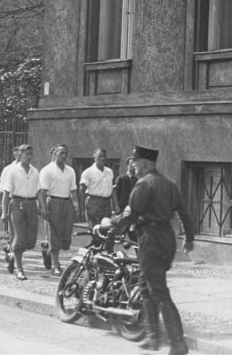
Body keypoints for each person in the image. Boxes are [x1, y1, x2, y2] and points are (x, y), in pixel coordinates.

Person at [112, 146, 195, 355]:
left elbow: (131, 214)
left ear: (145, 164)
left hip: (151, 240)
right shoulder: (169, 184)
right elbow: (185, 213)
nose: (132, 164)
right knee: (144, 286)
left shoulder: (144, 184)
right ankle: (152, 336)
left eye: (135, 161)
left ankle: (178, 344)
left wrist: (111, 224)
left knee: (158, 290)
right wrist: (189, 238)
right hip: (167, 238)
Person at [1, 144, 41, 281]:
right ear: (20, 155)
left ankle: (13, 255)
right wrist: (4, 212)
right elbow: (6, 193)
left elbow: (39, 191)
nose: (28, 157)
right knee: (18, 236)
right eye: (26, 154)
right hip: (17, 203)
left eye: (30, 154)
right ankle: (20, 269)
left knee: (30, 241)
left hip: (31, 204)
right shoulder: (13, 171)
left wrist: (42, 207)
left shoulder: (35, 171)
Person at [39, 144, 79, 275]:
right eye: (61, 153)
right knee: (54, 234)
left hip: (66, 204)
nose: (63, 156)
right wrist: (44, 208)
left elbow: (73, 190)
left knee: (65, 238)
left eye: (65, 153)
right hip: (53, 202)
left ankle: (47, 250)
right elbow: (43, 192)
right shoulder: (47, 170)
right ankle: (56, 265)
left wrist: (76, 204)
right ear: (55, 153)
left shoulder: (70, 171)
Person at [79, 147, 115, 229]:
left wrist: (114, 205)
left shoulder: (109, 172)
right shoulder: (88, 172)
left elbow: (112, 189)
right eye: (99, 156)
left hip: (106, 203)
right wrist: (81, 208)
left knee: (106, 228)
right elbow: (82, 190)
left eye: (104, 156)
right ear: (94, 157)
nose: (102, 158)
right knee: (94, 229)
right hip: (94, 202)